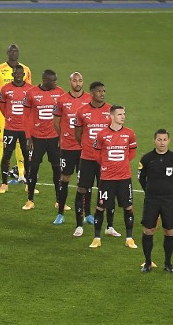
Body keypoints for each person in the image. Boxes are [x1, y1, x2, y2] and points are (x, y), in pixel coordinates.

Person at [89, 105, 138, 250]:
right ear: (111, 116)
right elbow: (97, 154)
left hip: (124, 177)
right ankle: (97, 238)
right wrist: (107, 165)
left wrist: (122, 164)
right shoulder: (102, 134)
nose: (123, 117)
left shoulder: (129, 133)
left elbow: (132, 152)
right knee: (101, 206)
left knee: (128, 206)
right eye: (119, 114)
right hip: (107, 178)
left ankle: (129, 238)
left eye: (124, 114)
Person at [138, 129, 173, 273]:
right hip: (151, 200)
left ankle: (168, 263)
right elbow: (141, 178)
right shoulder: (147, 159)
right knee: (148, 230)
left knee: (169, 231)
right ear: (154, 141)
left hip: (168, 200)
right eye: (159, 139)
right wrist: (150, 191)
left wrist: (170, 192)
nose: (162, 142)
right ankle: (147, 262)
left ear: (169, 141)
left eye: (164, 139)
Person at [73, 82, 116, 238]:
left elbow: (115, 134)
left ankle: (109, 226)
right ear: (91, 93)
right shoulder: (82, 111)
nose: (102, 94)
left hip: (105, 160)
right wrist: (87, 147)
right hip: (87, 159)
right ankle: (79, 225)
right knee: (82, 190)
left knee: (107, 192)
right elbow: (78, 134)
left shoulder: (111, 111)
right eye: (99, 91)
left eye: (104, 91)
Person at [22, 70, 64, 211]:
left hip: (54, 139)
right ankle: (30, 200)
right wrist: (28, 137)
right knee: (33, 169)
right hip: (37, 139)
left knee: (57, 169)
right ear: (45, 80)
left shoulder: (60, 92)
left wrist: (61, 136)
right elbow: (26, 116)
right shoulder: (32, 93)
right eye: (53, 80)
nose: (56, 82)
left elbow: (63, 116)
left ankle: (59, 201)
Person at [51, 72, 89, 225]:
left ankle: (88, 214)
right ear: (70, 82)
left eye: (80, 80)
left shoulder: (88, 99)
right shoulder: (61, 100)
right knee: (64, 179)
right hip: (67, 147)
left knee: (84, 181)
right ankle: (60, 213)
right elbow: (56, 123)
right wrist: (64, 137)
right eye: (75, 80)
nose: (78, 83)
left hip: (84, 149)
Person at [0, 44, 31, 183]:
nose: (14, 53)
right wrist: (5, 107)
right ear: (7, 52)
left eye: (16, 51)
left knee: (21, 144)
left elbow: (29, 92)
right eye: (11, 51)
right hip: (3, 114)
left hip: (21, 114)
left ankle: (21, 175)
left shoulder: (25, 70)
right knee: (0, 143)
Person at [0, 65, 33, 194]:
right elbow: (2, 106)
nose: (18, 75)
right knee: (6, 154)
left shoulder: (30, 90)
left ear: (23, 75)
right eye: (15, 73)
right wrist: (9, 117)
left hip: (25, 129)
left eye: (20, 73)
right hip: (10, 128)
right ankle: (4, 183)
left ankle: (29, 185)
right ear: (12, 75)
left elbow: (33, 107)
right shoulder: (6, 89)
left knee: (28, 156)